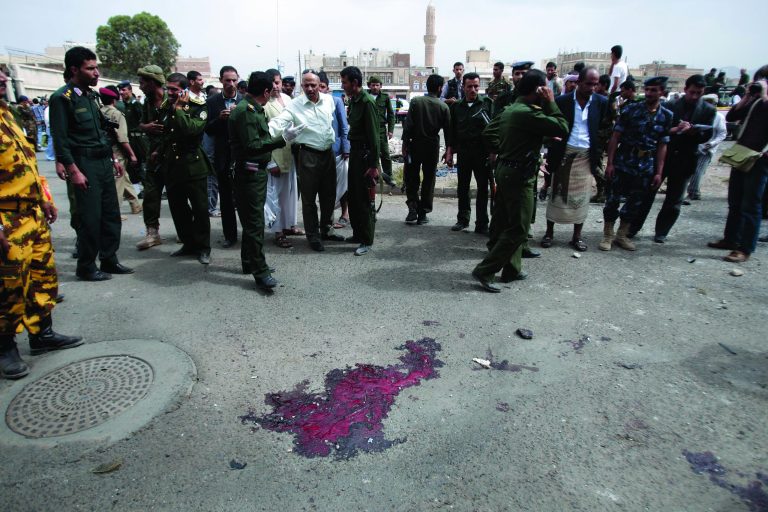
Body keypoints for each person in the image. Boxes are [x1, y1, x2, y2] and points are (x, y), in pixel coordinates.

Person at [1, 74, 83, 379]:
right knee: (8, 285)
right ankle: (5, 347)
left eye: (3, 74)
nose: (3, 78)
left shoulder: (6, 115)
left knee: (41, 276)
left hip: (31, 212)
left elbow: (29, 164)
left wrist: (45, 198)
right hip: (6, 217)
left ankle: (42, 334)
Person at [471, 70, 568, 292]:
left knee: (506, 221)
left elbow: (514, 135)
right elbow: (563, 127)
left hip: (507, 169)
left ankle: (512, 269)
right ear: (539, 90)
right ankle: (485, 270)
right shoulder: (527, 112)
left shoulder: (513, 109)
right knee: (520, 228)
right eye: (546, 88)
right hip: (519, 176)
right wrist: (551, 103)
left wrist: (532, 141)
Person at [49, 46, 133, 280]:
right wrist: (73, 170)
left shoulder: (91, 96)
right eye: (91, 68)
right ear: (75, 69)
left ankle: (109, 259)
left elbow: (102, 133)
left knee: (111, 215)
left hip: (103, 162)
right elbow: (61, 139)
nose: (97, 73)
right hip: (84, 164)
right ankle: (86, 266)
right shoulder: (61, 99)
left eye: (96, 67)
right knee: (90, 218)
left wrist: (112, 157)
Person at [630, 75, 716, 242]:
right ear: (685, 89)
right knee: (646, 195)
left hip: (685, 159)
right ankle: (632, 228)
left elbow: (707, 135)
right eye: (692, 92)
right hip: (663, 157)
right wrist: (676, 130)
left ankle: (661, 232)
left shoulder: (708, 110)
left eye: (698, 93)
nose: (694, 96)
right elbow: (658, 131)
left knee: (674, 199)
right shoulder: (670, 106)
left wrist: (695, 132)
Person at [269, 71, 343, 252]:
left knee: (329, 196)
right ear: (302, 86)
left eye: (313, 85)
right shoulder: (295, 105)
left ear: (320, 85)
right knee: (309, 199)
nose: (310, 88)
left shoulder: (329, 101)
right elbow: (278, 123)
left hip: (328, 154)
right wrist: (263, 132)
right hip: (308, 155)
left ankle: (327, 229)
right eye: (306, 85)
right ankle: (313, 236)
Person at [229, 71, 288, 290]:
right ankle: (260, 272)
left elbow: (259, 140)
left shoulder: (252, 108)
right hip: (249, 174)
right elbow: (253, 146)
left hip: (255, 173)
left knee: (251, 222)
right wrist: (281, 141)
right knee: (254, 224)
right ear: (265, 91)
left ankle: (249, 263)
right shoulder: (246, 112)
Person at [600, 76, 673, 252]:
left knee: (635, 202)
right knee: (613, 200)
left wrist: (658, 172)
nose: (649, 93)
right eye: (647, 89)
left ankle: (621, 235)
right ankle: (607, 235)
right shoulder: (631, 110)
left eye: (653, 90)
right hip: (624, 161)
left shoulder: (666, 115)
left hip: (646, 164)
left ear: (662, 92)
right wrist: (610, 163)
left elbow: (663, 145)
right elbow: (615, 137)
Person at [541, 67, 608, 252]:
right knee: (557, 193)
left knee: (582, 196)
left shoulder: (601, 102)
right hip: (563, 154)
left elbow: (603, 128)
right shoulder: (562, 101)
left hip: (586, 155)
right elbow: (552, 124)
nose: (592, 88)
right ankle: (549, 233)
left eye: (595, 84)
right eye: (588, 84)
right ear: (578, 82)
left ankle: (576, 237)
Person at [708, 66, 768, 263]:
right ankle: (731, 239)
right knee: (735, 201)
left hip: (760, 158)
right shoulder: (755, 102)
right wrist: (747, 97)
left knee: (751, 204)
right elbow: (732, 117)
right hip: (742, 154)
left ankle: (745, 248)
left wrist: (765, 96)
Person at [157, 73, 212, 265]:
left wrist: (179, 109)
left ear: (184, 89)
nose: (170, 92)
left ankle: (204, 247)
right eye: (168, 88)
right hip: (172, 165)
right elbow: (165, 132)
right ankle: (188, 244)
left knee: (200, 208)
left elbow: (191, 129)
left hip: (193, 164)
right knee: (178, 209)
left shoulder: (198, 107)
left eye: (174, 89)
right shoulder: (165, 107)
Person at [446, 72, 494, 233]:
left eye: (476, 86)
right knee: (463, 188)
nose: (473, 90)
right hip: (464, 153)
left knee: (482, 189)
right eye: (469, 86)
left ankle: (482, 223)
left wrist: (494, 152)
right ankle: (463, 219)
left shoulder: (487, 104)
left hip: (482, 154)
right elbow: (452, 132)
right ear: (463, 87)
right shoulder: (456, 107)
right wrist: (449, 153)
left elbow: (495, 129)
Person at [340, 66, 380, 256]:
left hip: (365, 157)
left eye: (344, 82)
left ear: (354, 83)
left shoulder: (367, 102)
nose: (343, 85)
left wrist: (374, 165)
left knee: (364, 199)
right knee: (354, 197)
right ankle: (357, 233)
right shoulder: (355, 101)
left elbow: (374, 137)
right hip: (355, 154)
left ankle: (367, 239)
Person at [402, 74, 450, 225]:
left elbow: (408, 125)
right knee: (429, 181)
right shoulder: (443, 106)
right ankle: (423, 213)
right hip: (432, 147)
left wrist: (404, 144)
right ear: (440, 88)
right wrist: (448, 150)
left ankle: (412, 208)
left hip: (414, 145)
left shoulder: (416, 101)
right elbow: (448, 132)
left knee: (411, 177)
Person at [205, 65, 242, 248]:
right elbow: (208, 130)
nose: (231, 84)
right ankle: (230, 235)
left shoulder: (244, 100)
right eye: (227, 80)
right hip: (222, 158)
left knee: (243, 198)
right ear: (221, 81)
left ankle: (249, 236)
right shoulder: (212, 102)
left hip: (242, 157)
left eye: (234, 80)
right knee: (226, 200)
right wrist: (220, 119)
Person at [264, 68, 301, 249]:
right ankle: (277, 231)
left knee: (290, 193)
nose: (276, 87)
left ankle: (289, 226)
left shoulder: (288, 100)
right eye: (272, 84)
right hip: (275, 155)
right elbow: (264, 136)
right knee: (276, 195)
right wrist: (270, 162)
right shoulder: (264, 104)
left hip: (290, 153)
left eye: (277, 82)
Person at [135, 64, 167, 251]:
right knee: (151, 195)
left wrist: (160, 151)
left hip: (170, 155)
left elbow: (177, 132)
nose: (140, 86)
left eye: (143, 82)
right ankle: (152, 233)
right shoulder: (146, 102)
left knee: (179, 196)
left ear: (153, 82)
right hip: (153, 157)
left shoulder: (171, 102)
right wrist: (145, 127)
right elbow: (140, 124)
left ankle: (185, 232)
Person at [98, 86, 141, 217]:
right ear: (114, 100)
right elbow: (122, 138)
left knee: (124, 179)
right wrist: (132, 154)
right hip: (116, 151)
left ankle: (136, 205)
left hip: (104, 150)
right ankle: (113, 212)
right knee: (117, 182)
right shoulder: (117, 114)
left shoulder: (98, 111)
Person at [317, 72, 351, 230]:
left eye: (322, 87)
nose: (319, 90)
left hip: (338, 151)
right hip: (319, 152)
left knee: (343, 185)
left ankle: (345, 214)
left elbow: (344, 127)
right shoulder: (311, 104)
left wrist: (345, 148)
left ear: (327, 88)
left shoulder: (336, 101)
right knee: (325, 188)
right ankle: (326, 219)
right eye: (318, 87)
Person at [686, 93, 727, 202]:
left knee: (698, 170)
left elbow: (722, 133)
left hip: (707, 148)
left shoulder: (719, 117)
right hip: (695, 146)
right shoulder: (699, 113)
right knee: (688, 170)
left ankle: (693, 192)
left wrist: (712, 143)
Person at [367, 76, 397, 188]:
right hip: (369, 130)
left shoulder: (385, 97)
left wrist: (390, 130)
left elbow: (390, 114)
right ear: (369, 85)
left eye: (377, 85)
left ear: (381, 86)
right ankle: (376, 176)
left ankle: (389, 176)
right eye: (373, 85)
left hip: (380, 129)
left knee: (385, 154)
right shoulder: (365, 96)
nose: (375, 87)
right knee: (372, 153)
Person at [117, 80, 146, 186]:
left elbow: (143, 121)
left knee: (139, 164)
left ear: (130, 90)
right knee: (132, 165)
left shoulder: (135, 104)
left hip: (138, 140)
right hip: (130, 139)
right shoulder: (125, 105)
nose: (121, 92)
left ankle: (147, 188)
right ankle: (137, 189)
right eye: (120, 90)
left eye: (123, 90)